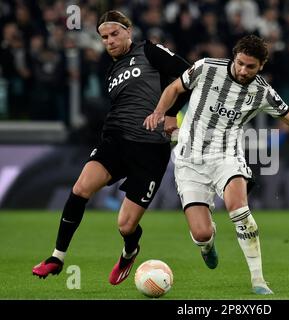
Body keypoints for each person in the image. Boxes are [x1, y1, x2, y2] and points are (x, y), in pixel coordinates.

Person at [144, 34, 289, 294]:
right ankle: (207, 244)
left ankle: (258, 280)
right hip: (189, 159)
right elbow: (175, 88)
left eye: (250, 67)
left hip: (226, 157)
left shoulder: (262, 92)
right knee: (201, 233)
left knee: (238, 209)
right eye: (240, 63)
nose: (243, 70)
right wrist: (159, 112)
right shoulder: (206, 67)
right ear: (234, 57)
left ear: (261, 65)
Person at [32, 10, 190, 285]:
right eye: (104, 37)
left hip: (151, 149)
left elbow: (188, 76)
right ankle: (57, 257)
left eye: (115, 34)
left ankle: (130, 250)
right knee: (81, 188)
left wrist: (169, 112)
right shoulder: (111, 71)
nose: (110, 41)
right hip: (115, 141)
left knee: (125, 225)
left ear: (129, 31)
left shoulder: (150, 51)